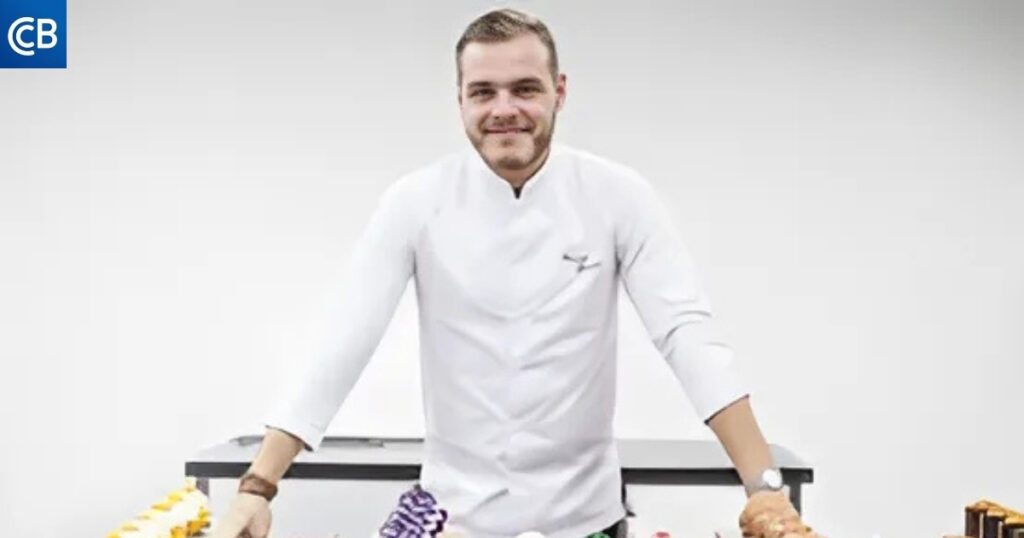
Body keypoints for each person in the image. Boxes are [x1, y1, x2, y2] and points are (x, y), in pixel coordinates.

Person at [209, 8, 816, 538]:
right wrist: (257, 487)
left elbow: (687, 336)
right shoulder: (415, 202)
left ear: (560, 91)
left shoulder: (618, 196)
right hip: (450, 521)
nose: (504, 110)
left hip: (587, 521)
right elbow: (343, 340)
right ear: (460, 101)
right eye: (483, 92)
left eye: (525, 88)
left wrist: (763, 486)